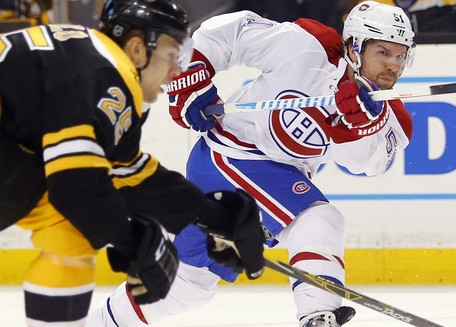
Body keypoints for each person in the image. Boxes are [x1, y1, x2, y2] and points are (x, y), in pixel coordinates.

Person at [88, 1, 414, 326]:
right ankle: (317, 314)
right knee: (317, 218)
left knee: (185, 287)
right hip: (229, 156)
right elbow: (233, 32)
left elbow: (366, 164)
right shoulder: (308, 45)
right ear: (354, 48)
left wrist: (361, 124)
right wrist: (191, 73)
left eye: (400, 55)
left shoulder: (388, 113)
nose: (392, 66)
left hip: (269, 180)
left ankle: (97, 323)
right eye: (382, 53)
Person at [0, 0, 266, 326]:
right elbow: (75, 185)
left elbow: (127, 173)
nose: (176, 70)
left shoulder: (85, 57)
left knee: (69, 231)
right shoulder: (107, 74)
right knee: (72, 222)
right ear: (138, 49)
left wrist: (210, 215)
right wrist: (134, 241)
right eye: (170, 56)